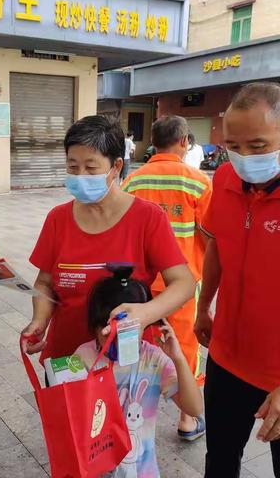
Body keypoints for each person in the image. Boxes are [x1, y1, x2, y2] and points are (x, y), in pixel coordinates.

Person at [21, 115, 195, 372]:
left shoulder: (147, 217)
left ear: (116, 166)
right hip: (68, 360)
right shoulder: (58, 219)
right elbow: (45, 283)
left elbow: (184, 283)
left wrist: (147, 313)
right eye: (72, 166)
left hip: (125, 362)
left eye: (91, 168)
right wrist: (39, 319)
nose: (80, 175)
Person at [195, 82, 280, 477]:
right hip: (227, 358)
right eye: (233, 144)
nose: (244, 156)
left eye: (259, 145)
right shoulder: (225, 179)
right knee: (221, 460)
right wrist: (203, 306)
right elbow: (216, 245)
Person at [122, 115, 211, 440]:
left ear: (154, 142)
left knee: (139, 348)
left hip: (141, 288)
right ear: (185, 142)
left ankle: (134, 410)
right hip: (183, 285)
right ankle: (188, 419)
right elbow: (211, 235)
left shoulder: (133, 181)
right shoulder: (198, 182)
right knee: (184, 347)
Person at [74, 267, 203, 478]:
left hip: (142, 471)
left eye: (128, 332)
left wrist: (178, 358)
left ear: (145, 323)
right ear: (96, 327)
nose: (117, 342)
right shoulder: (84, 358)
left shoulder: (153, 361)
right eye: (108, 334)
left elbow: (194, 407)